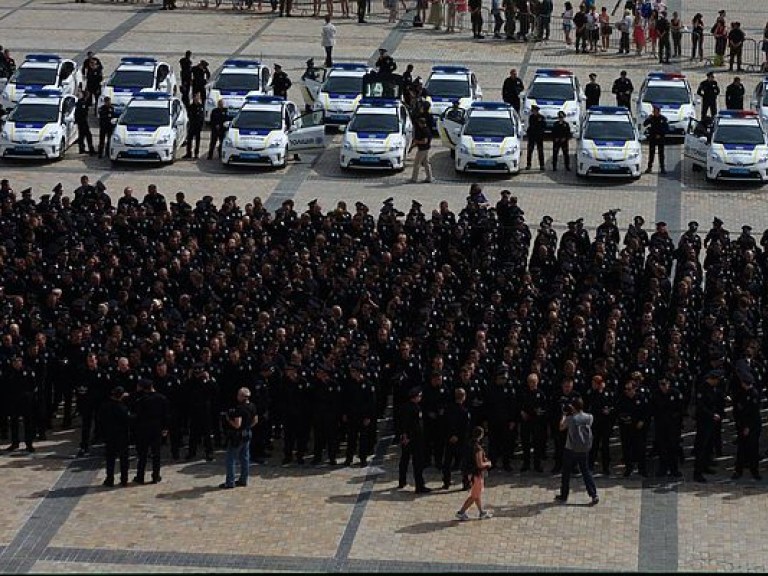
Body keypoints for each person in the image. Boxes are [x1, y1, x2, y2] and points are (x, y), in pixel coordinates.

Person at [554, 398, 599, 505]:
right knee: (586, 471)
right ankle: (593, 494)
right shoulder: (589, 417)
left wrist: (564, 416)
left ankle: (564, 495)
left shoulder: (570, 418)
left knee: (566, 472)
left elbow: (561, 427)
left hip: (570, 448)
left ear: (573, 407)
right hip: (584, 449)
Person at [130, 378, 169, 485]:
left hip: (143, 429)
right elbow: (165, 415)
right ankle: (155, 476)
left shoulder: (142, 400)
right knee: (156, 454)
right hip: (157, 428)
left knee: (142, 454)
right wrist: (165, 428)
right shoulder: (162, 398)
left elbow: (136, 415)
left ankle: (140, 476)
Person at [220, 387, 258, 489]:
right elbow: (255, 420)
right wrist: (247, 427)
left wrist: (228, 420)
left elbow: (237, 424)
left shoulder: (239, 408)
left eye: (238, 395)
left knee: (230, 459)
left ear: (242, 397)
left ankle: (230, 482)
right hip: (247, 433)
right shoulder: (252, 406)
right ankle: (243, 479)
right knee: (245, 457)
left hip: (237, 435)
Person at [455, 426, 493, 520]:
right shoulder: (478, 448)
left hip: (470, 473)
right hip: (476, 474)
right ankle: (461, 512)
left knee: (477, 494)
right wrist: (488, 463)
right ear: (481, 435)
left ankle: (481, 512)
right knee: (474, 495)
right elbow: (480, 464)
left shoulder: (469, 444)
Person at [398, 387, 431, 494]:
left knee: (404, 460)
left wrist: (403, 435)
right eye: (419, 396)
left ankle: (402, 481)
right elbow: (415, 425)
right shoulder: (416, 409)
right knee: (418, 463)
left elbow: (402, 423)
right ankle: (419, 486)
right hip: (415, 439)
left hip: (406, 438)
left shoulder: (404, 407)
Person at [98, 386, 131, 487]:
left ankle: (109, 479)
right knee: (124, 458)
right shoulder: (122, 408)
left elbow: (100, 421)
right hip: (122, 436)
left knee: (110, 458)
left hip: (109, 435)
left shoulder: (104, 406)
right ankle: (124, 479)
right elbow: (128, 421)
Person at [731, 371, 762, 481]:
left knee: (753, 449)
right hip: (742, 425)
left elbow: (753, 413)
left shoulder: (754, 394)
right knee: (741, 449)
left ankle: (755, 471)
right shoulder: (742, 393)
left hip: (752, 426)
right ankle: (738, 470)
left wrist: (748, 427)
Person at [643, 105, 668, 174]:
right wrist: (648, 118)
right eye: (654, 111)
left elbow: (666, 129)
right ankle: (649, 167)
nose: (654, 112)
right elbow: (644, 124)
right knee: (651, 153)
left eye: (656, 111)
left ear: (659, 111)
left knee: (661, 154)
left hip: (660, 138)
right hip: (652, 138)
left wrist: (660, 135)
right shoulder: (651, 118)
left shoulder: (663, 119)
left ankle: (662, 168)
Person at [410, 116, 433, 183]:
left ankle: (414, 178)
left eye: (419, 123)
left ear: (421, 123)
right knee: (426, 163)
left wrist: (417, 142)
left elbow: (425, 141)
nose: (418, 125)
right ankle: (429, 177)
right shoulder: (427, 129)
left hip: (422, 149)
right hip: (426, 149)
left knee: (417, 163)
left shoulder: (424, 131)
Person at [184, 94, 205, 159]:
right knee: (189, 140)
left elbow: (202, 117)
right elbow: (188, 115)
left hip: (198, 126)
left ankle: (196, 154)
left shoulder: (201, 107)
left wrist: (201, 126)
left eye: (198, 98)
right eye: (195, 98)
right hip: (191, 126)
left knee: (197, 141)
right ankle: (188, 153)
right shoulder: (191, 106)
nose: (196, 99)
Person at [75, 90, 96, 155]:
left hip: (81, 121)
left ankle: (81, 149)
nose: (88, 96)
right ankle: (90, 150)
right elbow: (81, 112)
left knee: (81, 136)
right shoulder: (82, 102)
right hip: (82, 121)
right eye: (87, 95)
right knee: (88, 135)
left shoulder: (81, 101)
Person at [525, 105, 545, 171]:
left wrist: (540, 133)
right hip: (532, 136)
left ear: (537, 111)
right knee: (530, 151)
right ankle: (528, 164)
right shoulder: (531, 117)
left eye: (534, 111)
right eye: (532, 111)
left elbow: (543, 127)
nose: (533, 112)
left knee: (540, 151)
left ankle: (542, 165)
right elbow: (530, 126)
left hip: (539, 137)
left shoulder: (541, 117)